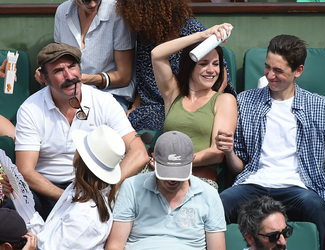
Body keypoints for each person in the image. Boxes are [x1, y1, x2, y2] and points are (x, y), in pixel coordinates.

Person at [216, 34, 325, 250]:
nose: (270, 75)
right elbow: (238, 166)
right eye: (267, 67)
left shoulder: (320, 107)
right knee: (218, 204)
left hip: (299, 188)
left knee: (316, 208)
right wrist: (229, 151)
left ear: (298, 70)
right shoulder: (246, 102)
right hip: (254, 183)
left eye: (278, 70)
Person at [11, 43, 148, 220]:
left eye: (72, 66)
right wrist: (68, 199)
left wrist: (107, 189)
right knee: (12, 212)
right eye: (58, 71)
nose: (69, 76)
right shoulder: (30, 109)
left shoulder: (104, 101)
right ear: (45, 79)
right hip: (47, 190)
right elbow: (26, 171)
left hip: (95, 185)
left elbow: (139, 152)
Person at [116, 0, 236, 131]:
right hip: (152, 107)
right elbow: (145, 80)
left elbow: (221, 77)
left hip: (188, 105)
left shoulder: (193, 31)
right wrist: (135, 105)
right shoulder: (146, 36)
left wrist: (199, 109)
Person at [2, 125, 125, 249]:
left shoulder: (84, 216)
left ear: (81, 159)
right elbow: (47, 236)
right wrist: (19, 199)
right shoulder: (78, 190)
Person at [105, 131, 226, 250]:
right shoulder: (132, 186)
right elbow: (115, 245)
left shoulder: (209, 194)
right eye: (166, 171)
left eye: (178, 172)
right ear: (153, 158)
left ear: (192, 160)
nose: (172, 179)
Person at [151, 23, 238, 189]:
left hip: (198, 180)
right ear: (190, 65)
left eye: (216, 64)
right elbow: (157, 54)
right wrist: (202, 36)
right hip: (161, 176)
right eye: (204, 63)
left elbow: (217, 153)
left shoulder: (224, 100)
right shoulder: (173, 94)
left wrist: (174, 164)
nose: (211, 70)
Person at [35, 0, 136, 110]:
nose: (92, 4)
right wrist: (46, 71)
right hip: (68, 96)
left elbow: (124, 77)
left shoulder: (117, 11)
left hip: (109, 95)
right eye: (85, 0)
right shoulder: (63, 11)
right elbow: (60, 59)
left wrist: (85, 79)